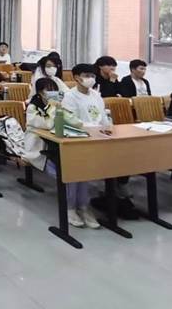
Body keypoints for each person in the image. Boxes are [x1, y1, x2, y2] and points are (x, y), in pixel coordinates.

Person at [61, 63, 111, 229]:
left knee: (86, 175)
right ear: (76, 77)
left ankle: (84, 206)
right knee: (76, 174)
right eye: (86, 75)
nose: (90, 78)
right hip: (78, 139)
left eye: (93, 76)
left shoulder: (96, 95)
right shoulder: (70, 96)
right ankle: (71, 208)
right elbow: (71, 120)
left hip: (98, 138)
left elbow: (103, 117)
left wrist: (108, 128)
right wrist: (92, 129)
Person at [23, 78, 81, 174]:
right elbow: (48, 124)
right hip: (37, 144)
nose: (53, 93)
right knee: (61, 173)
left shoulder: (55, 105)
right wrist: (53, 107)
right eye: (49, 90)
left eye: (55, 90)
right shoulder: (32, 108)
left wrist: (60, 108)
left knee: (74, 160)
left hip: (54, 140)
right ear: (41, 92)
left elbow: (76, 122)